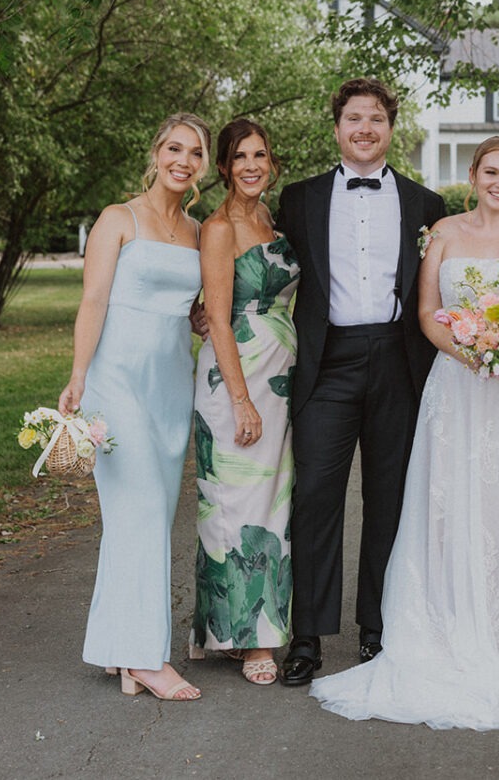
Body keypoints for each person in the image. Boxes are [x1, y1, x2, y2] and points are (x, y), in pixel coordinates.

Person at [311, 136, 499, 729]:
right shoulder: (445, 234)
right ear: (473, 175)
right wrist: (469, 349)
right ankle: (455, 622)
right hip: (457, 387)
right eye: (491, 172)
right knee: (454, 505)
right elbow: (427, 311)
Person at [275, 78, 446, 686]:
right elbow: (258, 263)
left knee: (390, 499)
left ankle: (379, 627)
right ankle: (308, 636)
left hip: (400, 360)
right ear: (337, 127)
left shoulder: (427, 206)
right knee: (315, 496)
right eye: (354, 118)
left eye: (376, 118)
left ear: (391, 128)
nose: (365, 129)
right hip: (328, 361)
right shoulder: (298, 200)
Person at [59, 112, 211, 702]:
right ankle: (147, 658)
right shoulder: (117, 219)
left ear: (201, 166)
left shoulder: (197, 232)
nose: (184, 160)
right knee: (141, 509)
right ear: (156, 153)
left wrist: (198, 319)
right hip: (116, 381)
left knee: (142, 517)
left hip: (172, 382)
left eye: (195, 152)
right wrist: (77, 377)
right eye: (175, 147)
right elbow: (93, 299)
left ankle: (121, 652)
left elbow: (191, 309)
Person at [187, 118, 299, 685]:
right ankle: (251, 641)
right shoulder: (220, 228)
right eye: (240, 158)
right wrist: (242, 402)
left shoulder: (269, 220)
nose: (252, 165)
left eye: (260, 155)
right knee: (236, 504)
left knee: (271, 505)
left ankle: (233, 628)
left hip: (277, 379)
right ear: (225, 168)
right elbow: (221, 321)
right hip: (237, 381)